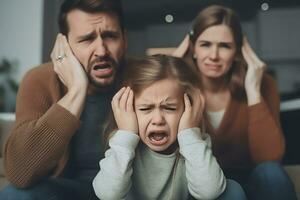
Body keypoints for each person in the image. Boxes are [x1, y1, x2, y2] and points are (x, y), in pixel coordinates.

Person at [0, 0, 127, 199]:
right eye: (86, 39)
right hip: (64, 190)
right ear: (64, 46)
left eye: (110, 36)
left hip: (127, 191)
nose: (101, 51)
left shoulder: (143, 77)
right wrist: (77, 90)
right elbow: (19, 173)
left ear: (124, 39)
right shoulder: (39, 79)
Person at [173, 5, 297, 200]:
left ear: (238, 51)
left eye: (225, 46)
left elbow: (270, 158)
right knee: (231, 191)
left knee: (272, 174)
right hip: (200, 184)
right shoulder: (178, 87)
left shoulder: (263, 83)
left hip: (251, 179)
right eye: (205, 44)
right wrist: (170, 74)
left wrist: (253, 91)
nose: (213, 55)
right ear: (192, 48)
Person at [92, 55, 247, 200]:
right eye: (145, 109)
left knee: (232, 189)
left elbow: (210, 191)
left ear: (187, 109)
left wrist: (189, 135)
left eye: (170, 108)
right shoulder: (123, 143)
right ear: (129, 110)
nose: (158, 120)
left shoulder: (193, 142)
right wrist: (126, 134)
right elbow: (107, 194)